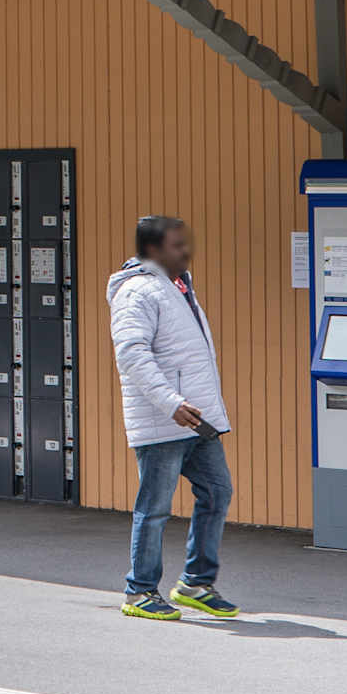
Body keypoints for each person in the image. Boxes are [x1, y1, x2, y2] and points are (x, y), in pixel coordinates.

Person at [108, 214, 238, 621]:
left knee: (217, 492)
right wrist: (170, 403)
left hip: (197, 418)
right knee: (155, 508)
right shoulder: (138, 291)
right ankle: (139, 591)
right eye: (177, 245)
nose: (186, 251)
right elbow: (132, 355)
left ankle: (195, 583)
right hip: (164, 419)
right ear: (152, 250)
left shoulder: (179, 286)